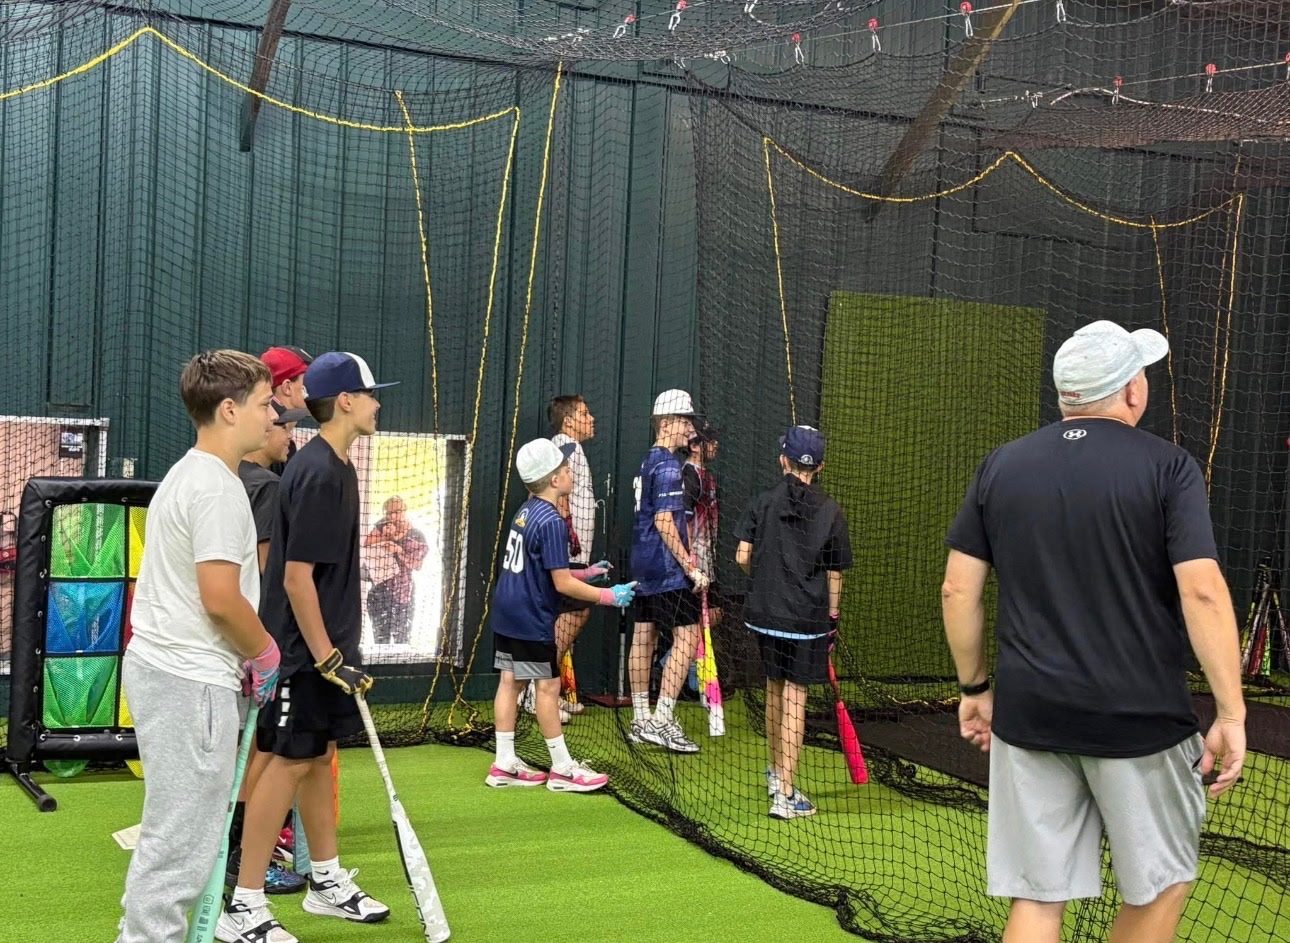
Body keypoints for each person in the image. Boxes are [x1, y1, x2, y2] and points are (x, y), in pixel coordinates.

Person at [940, 320, 1247, 943]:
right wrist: (1232, 713)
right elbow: (1202, 591)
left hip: (1030, 717)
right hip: (1140, 720)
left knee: (1037, 897)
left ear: (1066, 395)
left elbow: (957, 589)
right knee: (1162, 886)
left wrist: (974, 689)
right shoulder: (1169, 467)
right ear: (1132, 390)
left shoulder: (1003, 464)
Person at [220, 352, 398, 943]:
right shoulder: (318, 472)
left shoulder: (336, 466)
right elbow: (296, 579)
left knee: (319, 757)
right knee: (290, 762)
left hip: (326, 648)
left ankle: (325, 880)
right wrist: (326, 657)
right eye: (370, 394)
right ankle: (244, 903)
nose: (377, 403)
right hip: (304, 654)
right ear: (345, 401)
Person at [116, 350, 281, 943]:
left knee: (178, 832)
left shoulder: (193, 474)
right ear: (230, 409)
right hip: (189, 682)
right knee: (181, 842)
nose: (274, 415)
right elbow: (220, 597)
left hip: (176, 672)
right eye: (265, 404)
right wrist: (264, 650)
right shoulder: (214, 488)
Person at [486, 439, 636, 792]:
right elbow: (561, 583)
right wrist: (608, 595)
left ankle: (503, 763)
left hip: (507, 609)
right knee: (548, 686)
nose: (570, 472)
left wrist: (586, 573)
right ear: (554, 480)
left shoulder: (526, 510)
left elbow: (542, 567)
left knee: (510, 681)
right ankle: (564, 770)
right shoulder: (552, 520)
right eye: (565, 469)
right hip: (529, 615)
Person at [735, 425, 851, 820]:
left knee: (775, 688)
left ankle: (776, 775)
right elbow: (835, 572)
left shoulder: (763, 501)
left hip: (766, 614)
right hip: (806, 619)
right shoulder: (831, 510)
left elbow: (742, 556)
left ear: (782, 459)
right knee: (796, 698)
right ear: (820, 466)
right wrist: (832, 617)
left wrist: (767, 579)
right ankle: (785, 792)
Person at [230, 398, 310, 896]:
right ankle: (241, 857)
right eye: (282, 426)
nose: (287, 436)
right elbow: (269, 571)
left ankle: (236, 852)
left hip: (230, 640)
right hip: (258, 640)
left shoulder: (227, 475)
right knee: (258, 749)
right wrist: (270, 645)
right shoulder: (264, 485)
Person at [627, 389, 709, 753]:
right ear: (665, 424)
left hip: (642, 561)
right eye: (684, 421)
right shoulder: (669, 465)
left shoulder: (648, 460)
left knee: (643, 635)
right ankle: (661, 720)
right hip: (665, 567)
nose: (690, 428)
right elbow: (664, 521)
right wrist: (690, 567)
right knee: (687, 637)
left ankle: (641, 720)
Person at [550, 394, 598, 716]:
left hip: (573, 551)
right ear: (568, 421)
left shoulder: (570, 447)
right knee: (574, 614)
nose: (591, 419)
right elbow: (554, 487)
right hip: (567, 552)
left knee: (573, 615)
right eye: (584, 413)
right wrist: (566, 533)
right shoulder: (567, 445)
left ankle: (546, 690)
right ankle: (535, 691)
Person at [363, 496, 428, 646]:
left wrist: (398, 550)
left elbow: (417, 565)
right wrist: (385, 537)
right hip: (379, 592)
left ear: (404, 511)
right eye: (389, 513)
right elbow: (366, 544)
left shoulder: (416, 535)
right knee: (380, 640)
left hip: (403, 593)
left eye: (397, 512)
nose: (393, 516)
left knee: (402, 639)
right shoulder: (382, 526)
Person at [260, 345, 313, 475]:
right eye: (308, 380)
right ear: (287, 387)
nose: (313, 386)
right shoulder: (264, 444)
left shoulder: (287, 447)